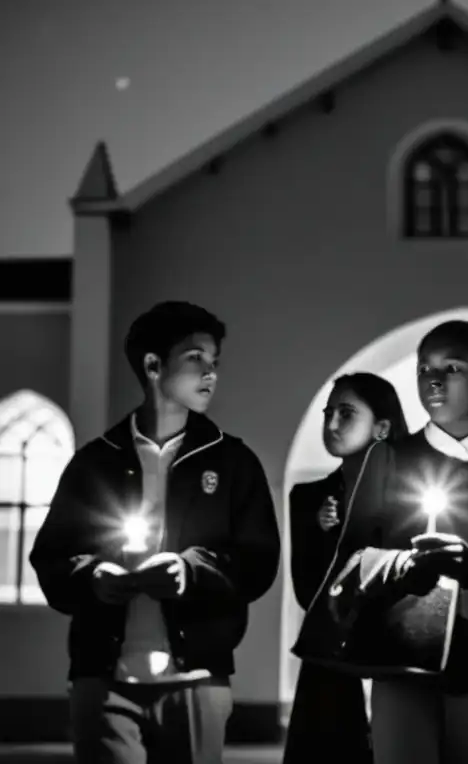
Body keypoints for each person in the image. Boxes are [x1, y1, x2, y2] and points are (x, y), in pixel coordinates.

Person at [30, 301, 281, 764]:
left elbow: (259, 562)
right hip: (103, 683)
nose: (211, 372)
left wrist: (191, 571)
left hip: (197, 681)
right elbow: (50, 557)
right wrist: (93, 576)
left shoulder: (232, 462)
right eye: (196, 358)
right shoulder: (95, 461)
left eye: (215, 361)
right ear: (152, 365)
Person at [330, 320, 468, 764]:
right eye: (423, 369)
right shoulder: (387, 459)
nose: (432, 380)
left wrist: (467, 560)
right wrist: (400, 567)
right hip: (400, 666)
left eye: (452, 367)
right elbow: (351, 559)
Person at [283, 372, 409, 764]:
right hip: (330, 658)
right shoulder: (307, 498)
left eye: (347, 413)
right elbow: (307, 592)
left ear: (382, 427)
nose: (332, 424)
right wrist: (323, 536)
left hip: (397, 653)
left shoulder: (416, 494)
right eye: (328, 413)